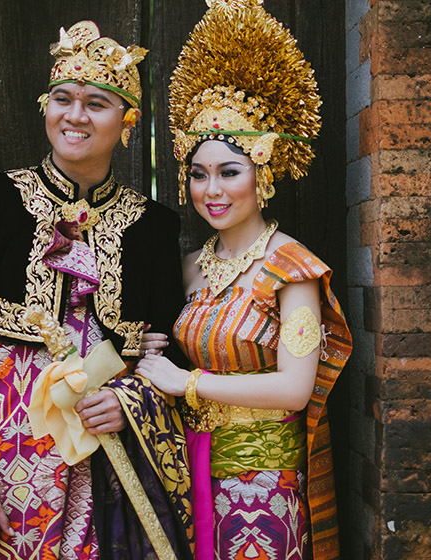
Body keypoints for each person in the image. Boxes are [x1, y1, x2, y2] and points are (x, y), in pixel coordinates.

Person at [0, 20, 192, 560]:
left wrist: (130, 405)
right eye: (62, 98)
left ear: (128, 121)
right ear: (45, 106)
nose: (75, 116)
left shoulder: (154, 226)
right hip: (11, 441)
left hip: (111, 437)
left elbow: (167, 346)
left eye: (96, 103)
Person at [135, 2, 352, 560]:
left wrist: (183, 382)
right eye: (199, 174)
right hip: (189, 469)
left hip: (263, 485)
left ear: (263, 174)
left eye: (230, 172)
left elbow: (293, 389)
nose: (213, 190)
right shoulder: (190, 268)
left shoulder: (292, 269)